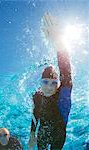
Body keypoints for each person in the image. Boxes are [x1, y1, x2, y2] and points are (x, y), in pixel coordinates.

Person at [28, 12, 73, 150]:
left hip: (59, 135)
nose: (49, 87)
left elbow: (65, 70)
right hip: (42, 133)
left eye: (53, 83)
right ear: (41, 83)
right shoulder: (37, 95)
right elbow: (35, 115)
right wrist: (32, 134)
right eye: (45, 82)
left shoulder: (62, 95)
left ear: (58, 84)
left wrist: (59, 41)